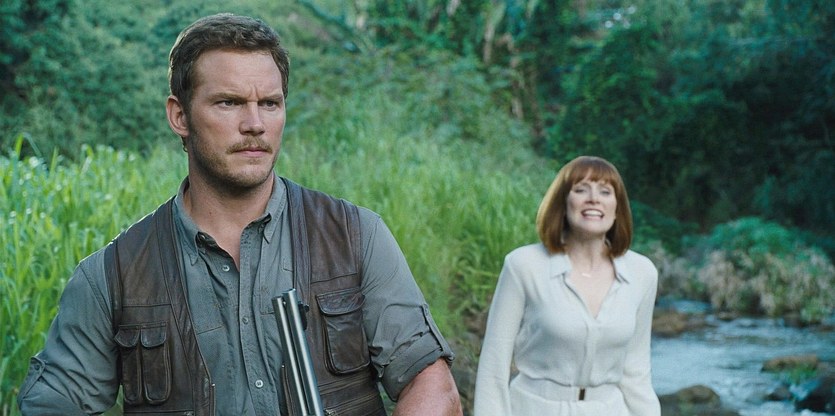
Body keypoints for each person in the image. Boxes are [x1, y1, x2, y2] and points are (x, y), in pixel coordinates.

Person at [17, 13, 461, 416]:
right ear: (179, 116)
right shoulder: (113, 275)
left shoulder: (355, 235)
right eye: (228, 102)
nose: (255, 124)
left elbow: (432, 387)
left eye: (269, 103)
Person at [473, 156, 661, 416]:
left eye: (605, 191)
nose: (593, 199)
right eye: (581, 189)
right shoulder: (523, 265)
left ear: (617, 207)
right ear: (563, 203)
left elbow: (636, 373)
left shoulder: (642, 273)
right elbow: (494, 366)